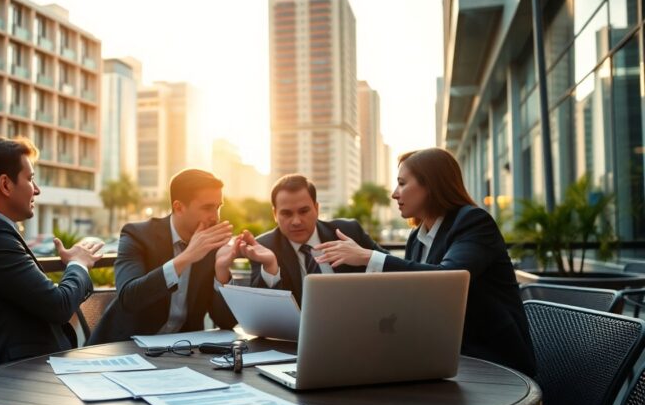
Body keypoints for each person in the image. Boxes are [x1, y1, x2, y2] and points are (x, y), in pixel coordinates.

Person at [314, 148, 536, 376]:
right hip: (442, 357)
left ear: (431, 185)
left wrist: (368, 257)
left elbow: (449, 279)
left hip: (494, 363)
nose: (394, 194)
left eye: (402, 183)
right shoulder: (417, 238)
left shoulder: (473, 222)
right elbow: (415, 298)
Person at [0, 134, 103, 381]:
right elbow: (57, 305)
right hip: (7, 382)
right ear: (5, 185)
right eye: (30, 179)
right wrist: (78, 263)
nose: (37, 190)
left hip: (24, 372)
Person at [88, 169, 237, 345]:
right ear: (178, 207)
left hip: (180, 350)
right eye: (207, 208)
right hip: (122, 347)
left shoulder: (211, 246)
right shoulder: (137, 235)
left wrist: (221, 272)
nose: (215, 217)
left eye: (218, 207)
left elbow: (226, 322)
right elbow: (129, 298)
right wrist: (186, 258)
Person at [219, 174, 386, 306]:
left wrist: (365, 256)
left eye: (304, 211)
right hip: (296, 335)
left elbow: (393, 269)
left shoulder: (348, 232)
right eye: (286, 213)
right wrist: (270, 267)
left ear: (317, 208)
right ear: (275, 214)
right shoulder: (264, 246)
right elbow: (260, 309)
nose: (296, 221)